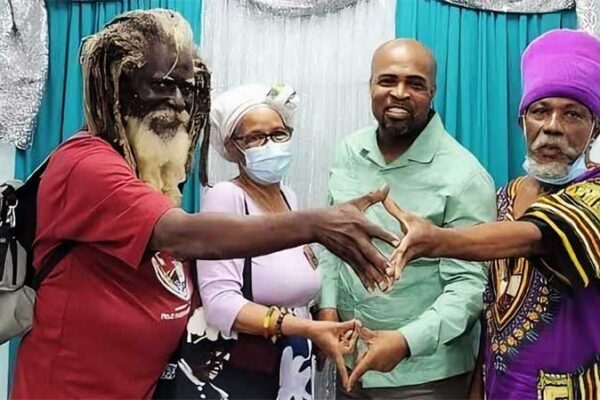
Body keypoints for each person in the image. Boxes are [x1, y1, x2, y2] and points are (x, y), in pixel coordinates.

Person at [9, 10, 399, 399]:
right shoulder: (87, 163)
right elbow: (181, 236)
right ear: (115, 89)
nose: (179, 102)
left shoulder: (153, 175)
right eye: (161, 84)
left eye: (187, 87)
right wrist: (318, 224)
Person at [353, 29, 600, 400]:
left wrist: (437, 240)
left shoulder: (595, 193)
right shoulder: (506, 195)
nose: (552, 126)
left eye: (573, 114)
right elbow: (493, 304)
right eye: (540, 111)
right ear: (522, 122)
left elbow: (535, 236)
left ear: (596, 127)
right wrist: (477, 383)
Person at [316, 38, 496, 399]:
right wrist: (327, 306)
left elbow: (469, 287)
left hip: (424, 377)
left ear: (433, 92)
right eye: (387, 81)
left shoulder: (464, 175)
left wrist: (406, 342)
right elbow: (331, 240)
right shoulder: (351, 150)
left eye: (415, 84)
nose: (399, 93)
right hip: (349, 361)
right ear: (370, 86)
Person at [156, 83, 359, 399]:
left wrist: (323, 325)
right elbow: (220, 305)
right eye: (256, 138)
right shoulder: (227, 198)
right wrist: (307, 329)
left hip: (289, 368)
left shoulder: (288, 198)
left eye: (279, 134)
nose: (271, 145)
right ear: (233, 148)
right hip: (243, 371)